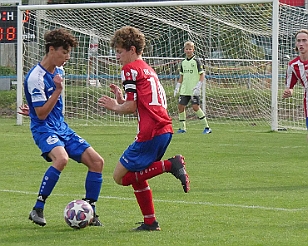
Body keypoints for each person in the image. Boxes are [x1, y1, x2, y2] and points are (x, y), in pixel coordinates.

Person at [98, 26, 190, 231]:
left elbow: (131, 107)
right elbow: (136, 104)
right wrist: (121, 100)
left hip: (151, 131)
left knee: (120, 177)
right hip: (164, 129)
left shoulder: (129, 69)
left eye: (119, 52)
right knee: (138, 175)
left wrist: (115, 106)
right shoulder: (146, 68)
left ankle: (171, 165)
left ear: (132, 50)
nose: (117, 57)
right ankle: (150, 222)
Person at [22, 28, 104, 227]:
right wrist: (57, 91)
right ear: (51, 50)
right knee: (62, 159)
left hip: (61, 127)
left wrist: (36, 107)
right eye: (64, 52)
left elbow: (46, 107)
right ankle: (38, 208)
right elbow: (41, 114)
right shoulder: (36, 77)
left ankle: (90, 211)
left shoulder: (59, 71)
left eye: (69, 53)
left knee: (97, 162)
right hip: (44, 129)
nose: (67, 57)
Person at [173, 41, 211, 134]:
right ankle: (182, 128)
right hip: (184, 89)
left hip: (194, 90)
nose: (188, 50)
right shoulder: (183, 62)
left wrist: (198, 86)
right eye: (187, 49)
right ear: (184, 50)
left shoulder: (196, 61)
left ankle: (207, 127)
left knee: (195, 107)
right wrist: (178, 86)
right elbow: (181, 76)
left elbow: (202, 74)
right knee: (181, 107)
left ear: (193, 50)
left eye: (190, 49)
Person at [283, 29, 308, 129]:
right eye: (298, 41)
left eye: (304, 40)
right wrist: (288, 92)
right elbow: (290, 87)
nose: (301, 44)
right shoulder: (293, 65)